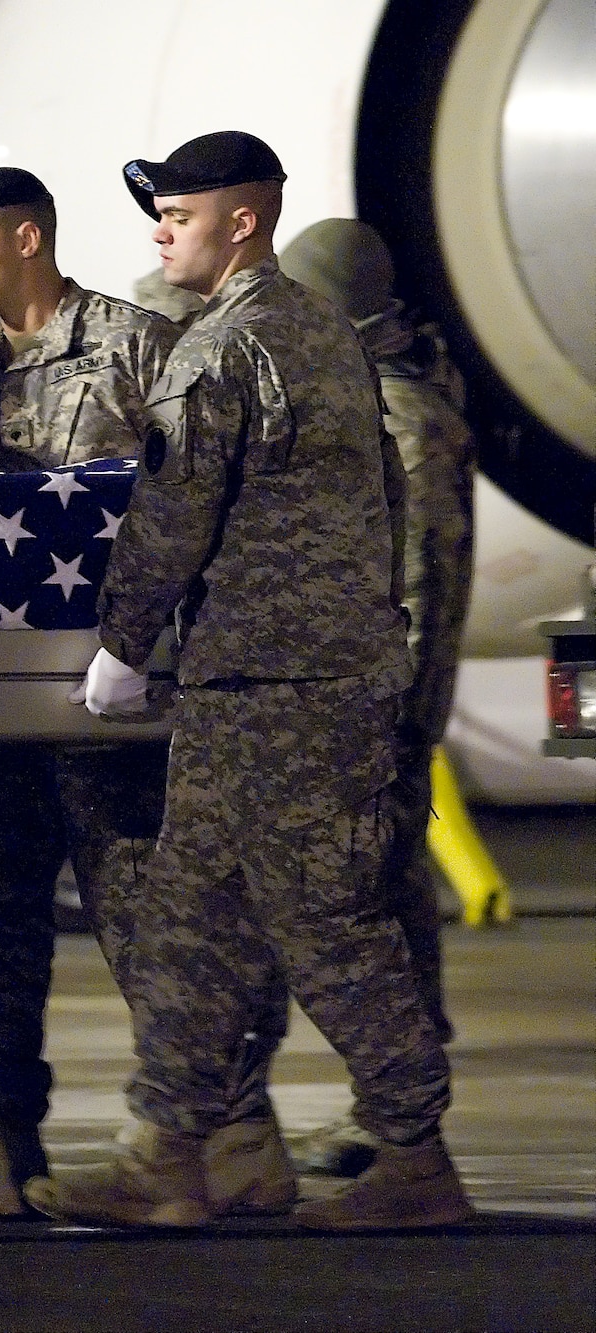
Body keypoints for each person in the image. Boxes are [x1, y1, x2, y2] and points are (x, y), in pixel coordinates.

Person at [30, 131, 472, 1231]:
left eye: (177, 217)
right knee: (190, 919)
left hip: (280, 688)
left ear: (241, 222)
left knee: (324, 926)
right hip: (280, 681)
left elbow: (171, 511)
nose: (158, 236)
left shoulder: (222, 349)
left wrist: (121, 644)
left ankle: (414, 1156)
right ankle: (163, 1154)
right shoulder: (324, 336)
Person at [0, 168, 195, 1216]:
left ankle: (209, 1136)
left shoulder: (139, 350)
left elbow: (199, 505)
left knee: (147, 920)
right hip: (4, 705)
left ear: (28, 238)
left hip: (120, 704)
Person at [275, 217, 477, 1175]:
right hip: (372, 698)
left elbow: (424, 581)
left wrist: (395, 717)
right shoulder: (375, 395)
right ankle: (390, 1115)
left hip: (382, 706)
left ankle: (402, 1124)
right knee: (383, 896)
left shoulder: (402, 418)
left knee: (378, 900)